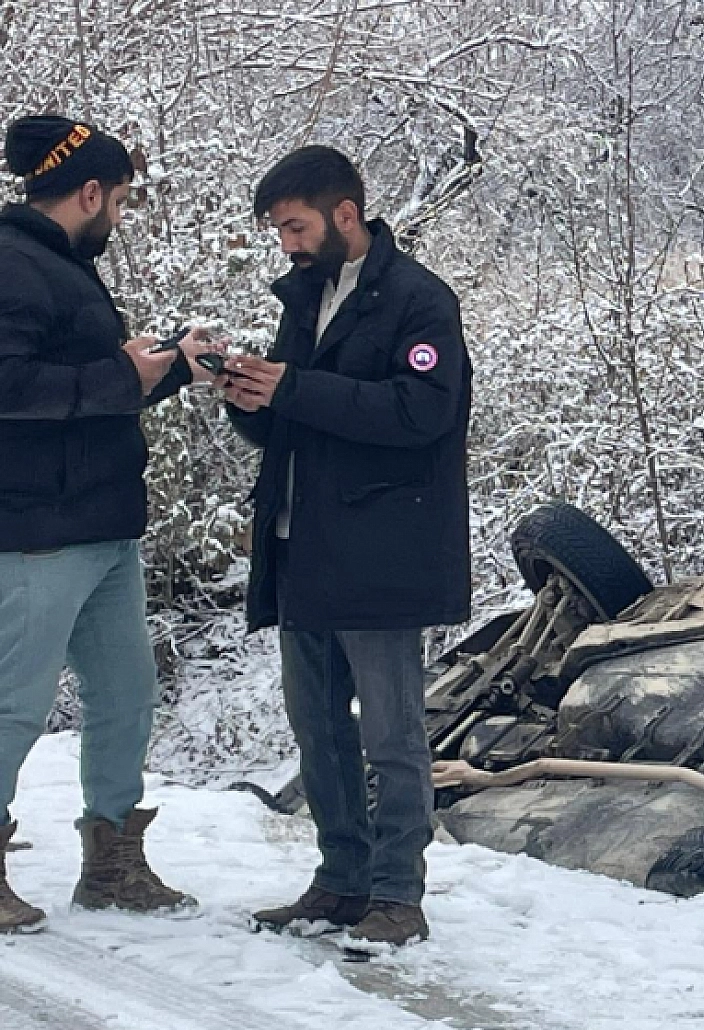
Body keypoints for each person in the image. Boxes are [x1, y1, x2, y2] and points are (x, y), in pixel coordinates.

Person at [225, 146, 471, 952]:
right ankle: (340, 880)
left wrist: (293, 388)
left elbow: (420, 413)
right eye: (278, 232)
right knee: (316, 725)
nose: (286, 245)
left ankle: (399, 893)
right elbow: (294, 412)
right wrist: (249, 395)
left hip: (381, 550)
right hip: (302, 545)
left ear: (344, 213)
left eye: (294, 226)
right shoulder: (308, 296)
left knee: (392, 733)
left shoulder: (420, 300)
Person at [0, 114, 219, 933]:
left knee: (128, 696)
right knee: (13, 705)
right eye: (120, 201)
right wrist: (118, 371)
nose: (121, 217)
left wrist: (167, 372)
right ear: (89, 192)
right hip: (34, 530)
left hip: (103, 526)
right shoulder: (13, 267)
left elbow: (89, 391)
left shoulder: (64, 266)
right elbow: (12, 386)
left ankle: (113, 864)